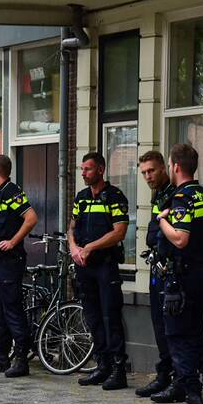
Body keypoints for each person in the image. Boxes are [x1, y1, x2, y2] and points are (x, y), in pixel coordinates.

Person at [136, 151, 203, 404]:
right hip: (200, 273)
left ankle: (191, 398)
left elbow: (179, 238)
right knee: (195, 335)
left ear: (175, 167)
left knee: (178, 337)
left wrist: (163, 220)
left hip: (180, 277)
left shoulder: (180, 198)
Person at [68, 152, 131, 391]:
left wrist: (91, 247)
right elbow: (71, 228)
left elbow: (119, 231)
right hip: (84, 267)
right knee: (93, 318)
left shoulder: (114, 197)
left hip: (105, 265)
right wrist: (74, 248)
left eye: (88, 169)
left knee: (110, 317)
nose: (83, 173)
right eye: (82, 169)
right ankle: (102, 365)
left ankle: (118, 370)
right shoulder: (82, 198)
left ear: (101, 170)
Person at [0, 154, 38, 378]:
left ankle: (21, 359)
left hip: (11, 259)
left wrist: (12, 241)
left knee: (12, 308)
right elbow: (3, 222)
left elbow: (31, 218)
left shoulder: (12, 191)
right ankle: (2, 356)